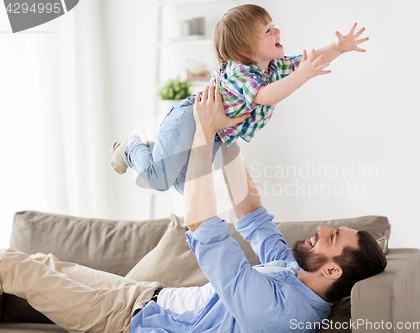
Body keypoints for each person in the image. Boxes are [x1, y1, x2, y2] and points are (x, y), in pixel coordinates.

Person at [0, 82, 386, 333]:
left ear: (333, 269)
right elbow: (251, 213)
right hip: (146, 294)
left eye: (330, 237)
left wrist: (204, 132)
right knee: (42, 263)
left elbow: (203, 224)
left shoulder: (281, 314)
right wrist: (228, 134)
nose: (320, 230)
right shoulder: (294, 271)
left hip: (127, 321)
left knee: (11, 267)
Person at [110, 4, 369, 194]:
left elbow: (311, 60)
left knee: (186, 189)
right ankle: (131, 147)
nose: (278, 31)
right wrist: (302, 76)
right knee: (158, 180)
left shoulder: (274, 67)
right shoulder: (239, 72)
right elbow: (264, 96)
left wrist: (338, 48)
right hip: (191, 119)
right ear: (246, 50)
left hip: (216, 134)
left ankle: (157, 148)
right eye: (269, 30)